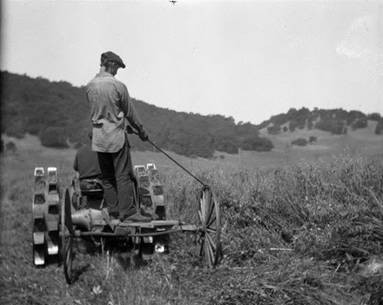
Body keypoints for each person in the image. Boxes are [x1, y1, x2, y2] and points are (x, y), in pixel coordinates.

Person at [86, 51, 150, 222]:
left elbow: (101, 113)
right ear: (112, 65)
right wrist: (142, 131)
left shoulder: (90, 86)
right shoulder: (118, 86)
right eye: (117, 68)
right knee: (124, 175)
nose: (117, 72)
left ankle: (113, 211)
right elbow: (130, 113)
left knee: (107, 177)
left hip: (99, 139)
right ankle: (128, 213)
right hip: (116, 138)